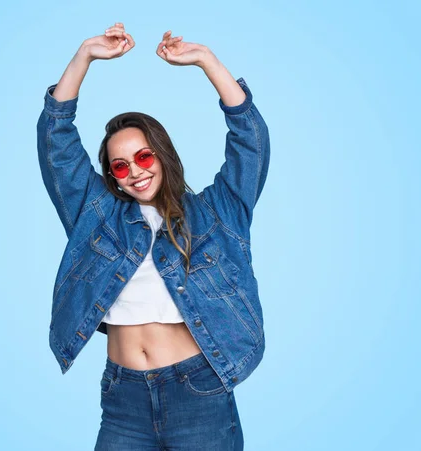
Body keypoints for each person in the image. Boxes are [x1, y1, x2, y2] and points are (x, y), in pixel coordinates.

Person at [36, 22, 270, 451]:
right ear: (113, 177)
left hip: (199, 392)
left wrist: (206, 62)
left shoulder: (218, 213)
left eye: (144, 156)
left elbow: (250, 143)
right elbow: (57, 142)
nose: (135, 171)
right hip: (122, 397)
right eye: (120, 166)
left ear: (161, 155)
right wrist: (83, 57)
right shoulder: (97, 216)